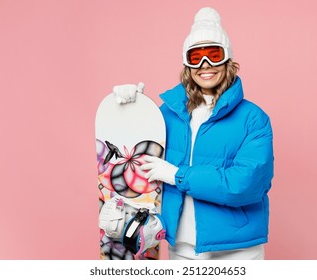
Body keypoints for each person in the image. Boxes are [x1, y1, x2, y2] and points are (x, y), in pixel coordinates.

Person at [114, 7, 274, 260]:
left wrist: (177, 175)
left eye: (213, 54)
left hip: (238, 250)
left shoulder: (253, 118)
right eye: (196, 56)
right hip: (181, 247)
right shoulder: (166, 114)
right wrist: (131, 108)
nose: (205, 64)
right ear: (187, 63)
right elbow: (131, 157)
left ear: (227, 59)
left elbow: (245, 184)